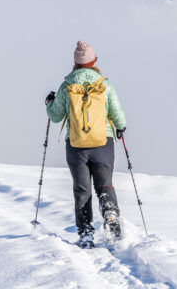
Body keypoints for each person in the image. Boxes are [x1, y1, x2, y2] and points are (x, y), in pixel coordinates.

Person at [45, 40, 127, 248]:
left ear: (75, 62)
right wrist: (120, 127)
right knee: (104, 185)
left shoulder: (67, 86)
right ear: (94, 61)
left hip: (76, 146)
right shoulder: (104, 84)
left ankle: (86, 235)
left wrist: (49, 104)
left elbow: (55, 116)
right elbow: (118, 115)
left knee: (82, 191)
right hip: (103, 144)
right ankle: (111, 215)